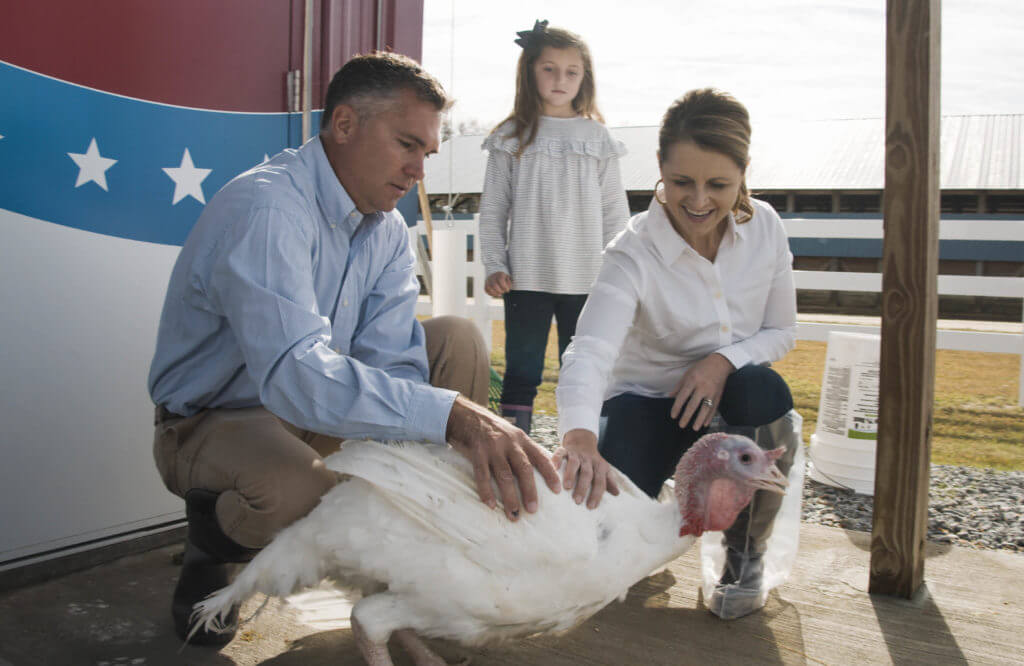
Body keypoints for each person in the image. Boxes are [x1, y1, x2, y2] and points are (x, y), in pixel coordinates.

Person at [147, 52, 560, 645]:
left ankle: (415, 570)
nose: (419, 169)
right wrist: (450, 416)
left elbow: (393, 363)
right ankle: (210, 548)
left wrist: (424, 453)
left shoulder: (387, 229)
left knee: (458, 341)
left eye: (427, 153)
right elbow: (294, 375)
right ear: (343, 125)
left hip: (312, 409)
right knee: (299, 497)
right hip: (218, 418)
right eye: (406, 145)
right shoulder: (269, 208)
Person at [553, 88, 801, 619]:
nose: (697, 202)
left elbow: (782, 330)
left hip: (731, 409)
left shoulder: (767, 227)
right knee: (603, 550)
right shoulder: (632, 252)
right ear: (660, 168)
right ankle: (649, 527)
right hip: (647, 408)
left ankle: (744, 555)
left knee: (762, 391)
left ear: (744, 172)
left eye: (719, 184)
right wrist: (578, 436)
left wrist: (721, 361)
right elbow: (590, 349)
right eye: (681, 182)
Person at [478, 20, 630, 435]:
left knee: (584, 372)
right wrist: (494, 263)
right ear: (530, 71)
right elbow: (493, 209)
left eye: (571, 71)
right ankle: (515, 448)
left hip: (589, 282)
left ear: (585, 78)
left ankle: (582, 454)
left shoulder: (597, 138)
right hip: (525, 278)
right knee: (522, 370)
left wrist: (618, 276)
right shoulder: (511, 137)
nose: (560, 79)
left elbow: (615, 213)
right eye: (549, 68)